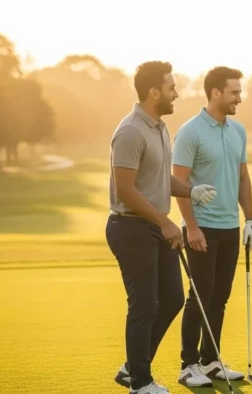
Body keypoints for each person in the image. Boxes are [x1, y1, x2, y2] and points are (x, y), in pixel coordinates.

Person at [107, 61, 217, 394]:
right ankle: (140, 383)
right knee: (143, 305)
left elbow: (157, 177)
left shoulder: (158, 127)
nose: (176, 93)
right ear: (154, 92)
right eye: (171, 87)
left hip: (153, 227)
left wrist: (190, 190)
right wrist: (166, 222)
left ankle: (132, 367)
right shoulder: (129, 131)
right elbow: (126, 190)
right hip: (131, 228)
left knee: (170, 299)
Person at [171, 66, 252, 386]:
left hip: (230, 226)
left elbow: (244, 178)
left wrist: (251, 219)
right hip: (201, 226)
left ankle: (209, 360)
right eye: (234, 92)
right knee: (200, 296)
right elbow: (180, 182)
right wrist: (191, 227)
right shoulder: (190, 132)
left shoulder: (238, 131)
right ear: (215, 92)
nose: (239, 98)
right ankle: (187, 364)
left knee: (219, 297)